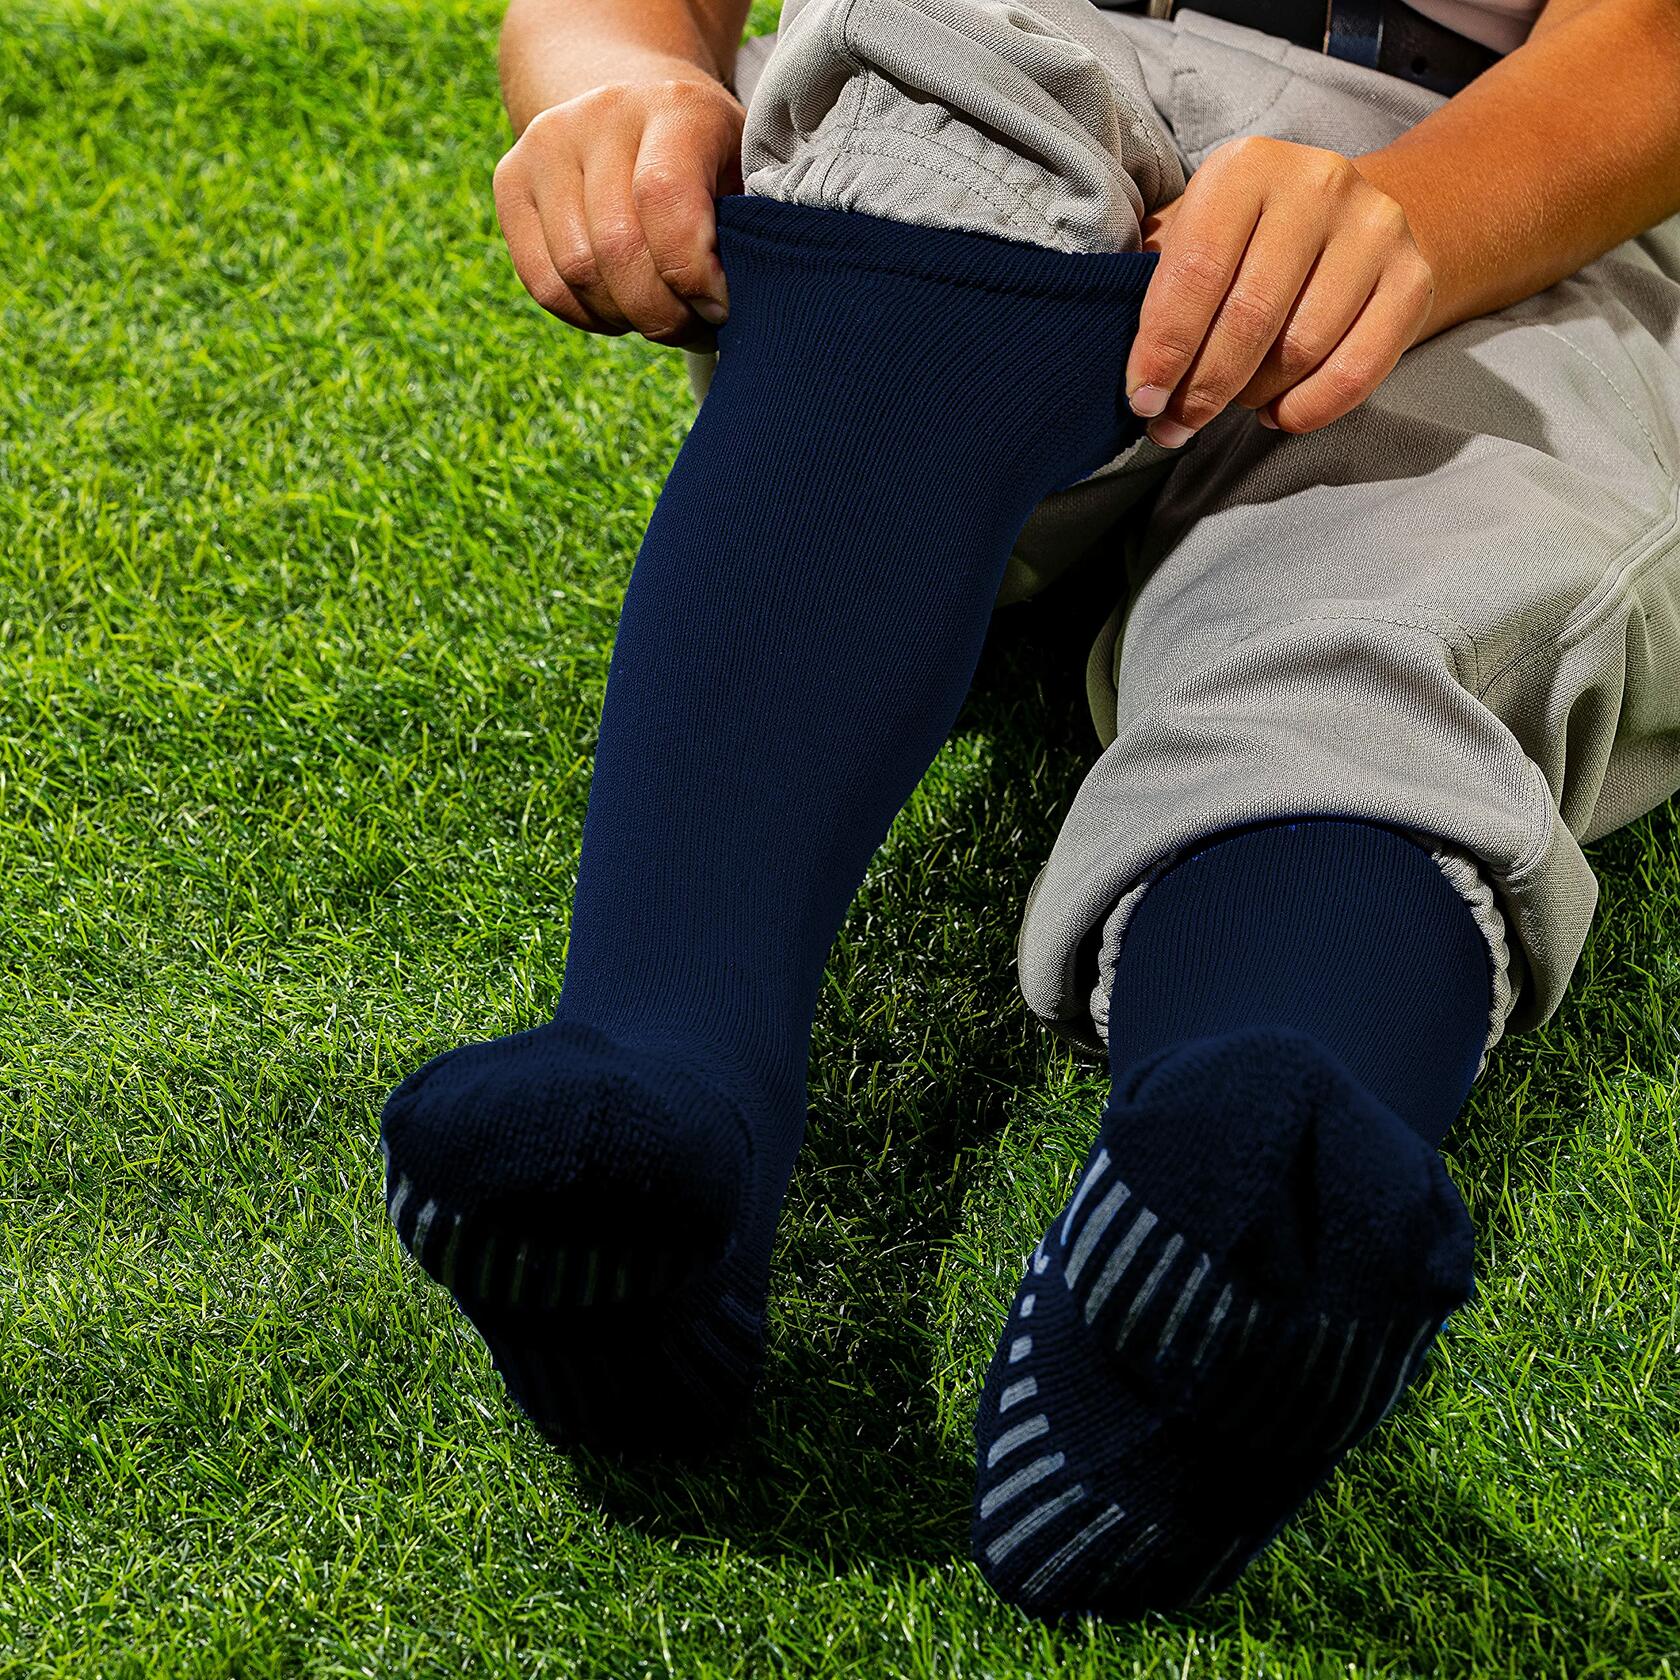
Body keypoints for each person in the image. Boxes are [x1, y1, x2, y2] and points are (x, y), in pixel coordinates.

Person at [376, 0, 1680, 1622]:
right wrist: (616, 74)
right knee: (933, 163)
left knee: (1390, 631)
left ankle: (1251, 1199)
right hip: (1023, 63)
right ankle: (653, 1081)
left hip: (1515, 184)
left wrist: (1413, 212)